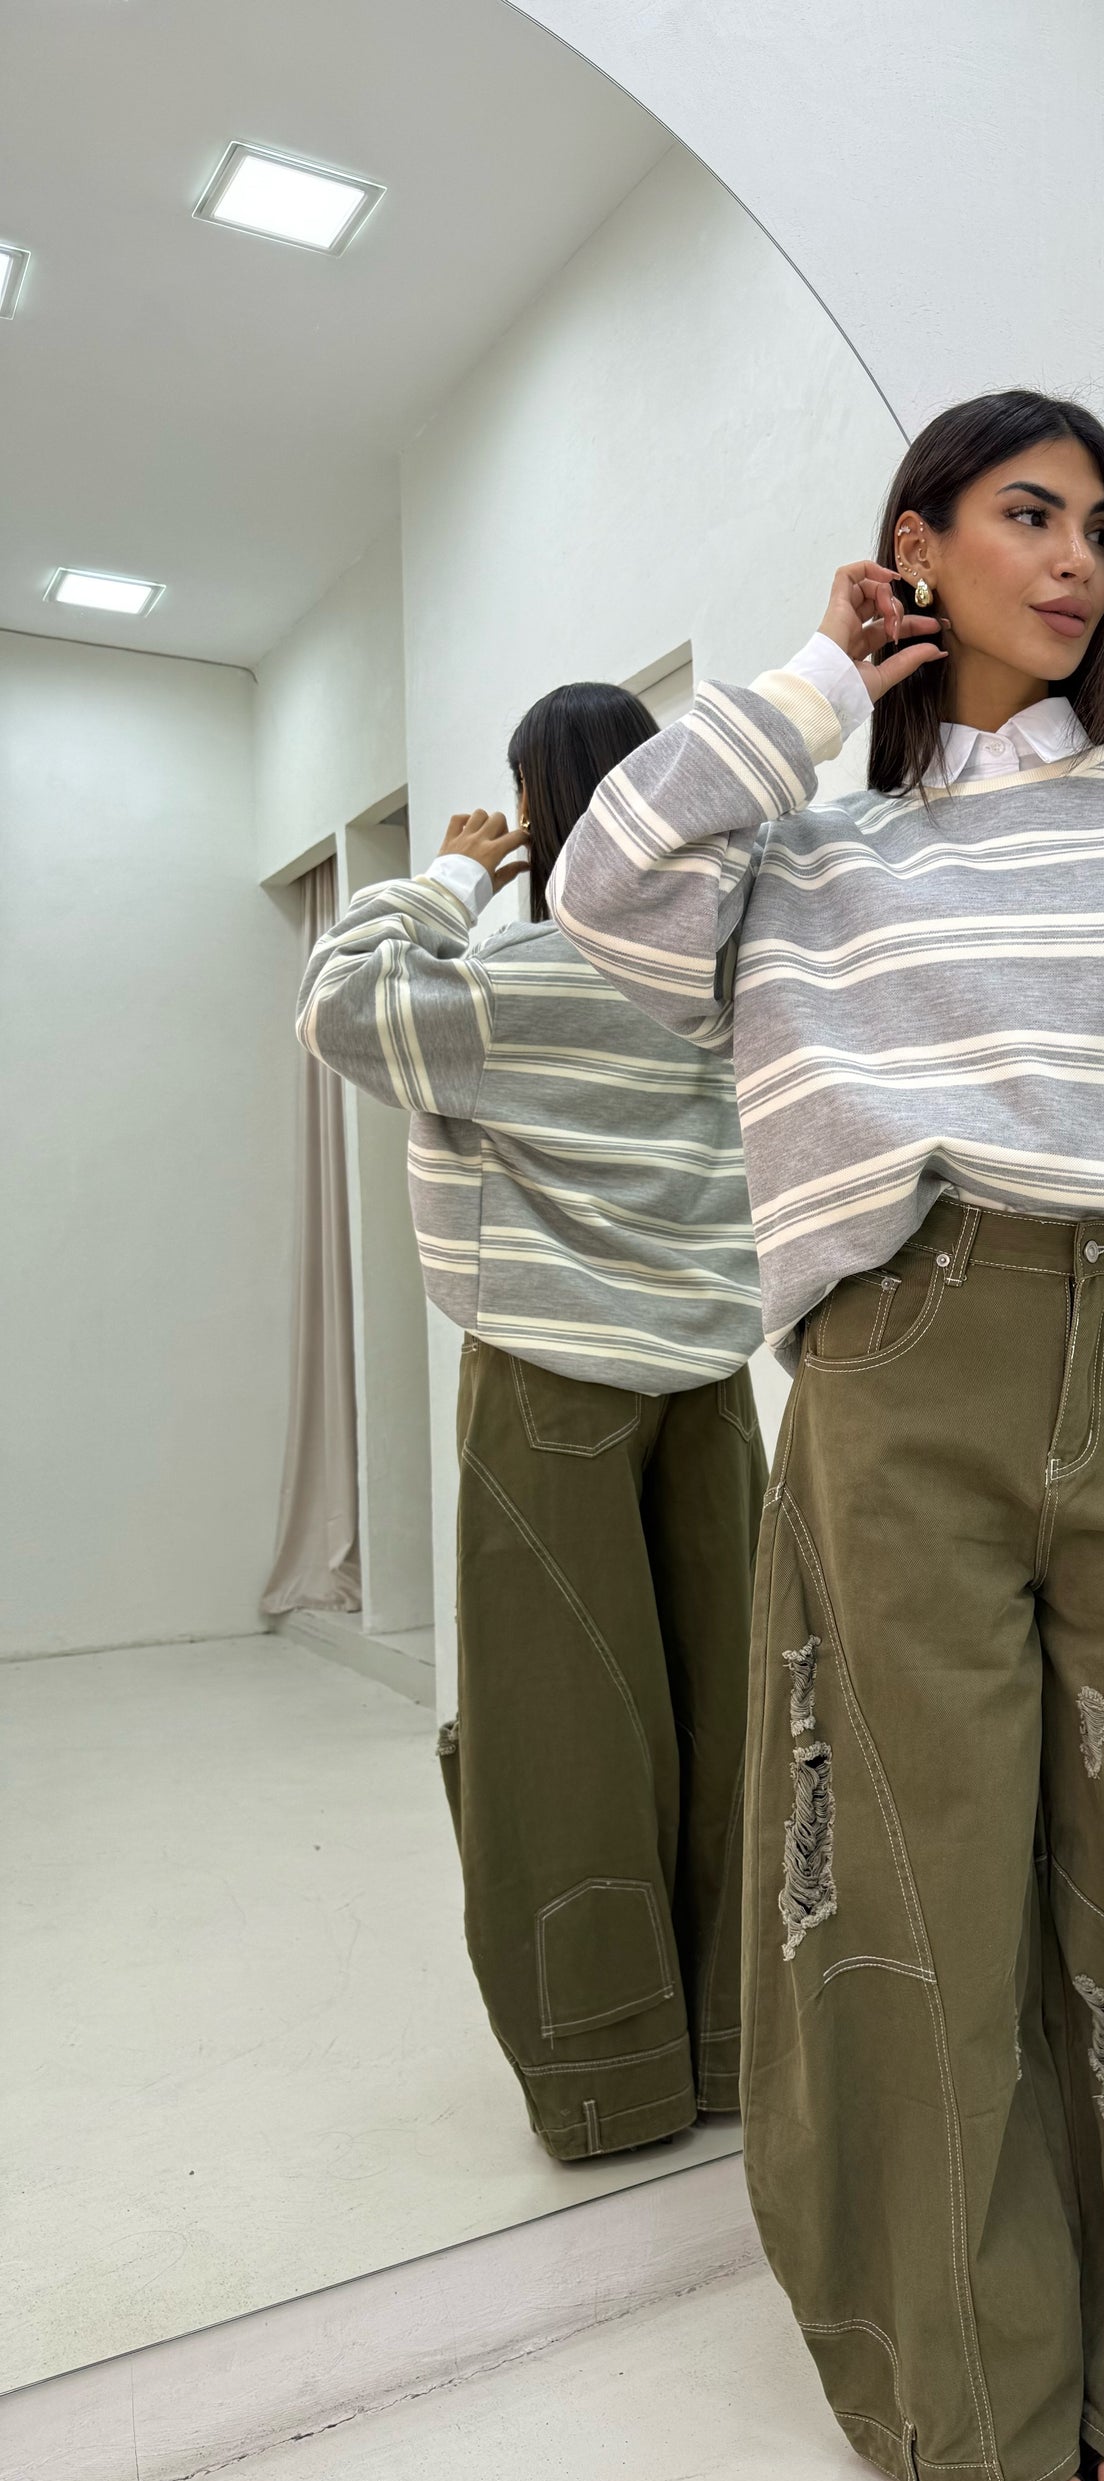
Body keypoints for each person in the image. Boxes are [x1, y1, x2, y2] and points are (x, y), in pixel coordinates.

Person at [552, 391, 1104, 2481]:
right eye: (1027, 514)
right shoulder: (804, 854)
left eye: (1102, 531)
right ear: (914, 543)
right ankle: (970, 2380)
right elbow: (599, 887)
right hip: (893, 1365)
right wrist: (811, 682)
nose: (1075, 563)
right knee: (915, 1898)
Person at [297, 682, 766, 2162]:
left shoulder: (510, 983)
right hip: (711, 1384)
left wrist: (449, 875)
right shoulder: (727, 984)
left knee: (560, 1735)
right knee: (732, 1712)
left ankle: (608, 2080)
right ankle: (738, 2047)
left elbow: (340, 1004)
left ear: (539, 808)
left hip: (550, 1385)